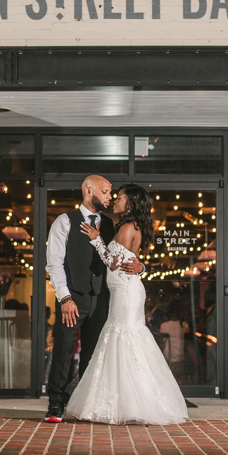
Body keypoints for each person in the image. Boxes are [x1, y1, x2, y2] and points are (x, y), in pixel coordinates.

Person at [65, 184, 188, 425]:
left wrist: (96, 240)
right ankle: (128, 402)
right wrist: (140, 265)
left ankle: (134, 402)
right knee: (124, 339)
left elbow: (113, 263)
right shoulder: (129, 226)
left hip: (125, 292)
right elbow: (129, 260)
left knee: (123, 338)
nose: (114, 201)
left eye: (119, 197)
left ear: (130, 203)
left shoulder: (128, 226)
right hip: (125, 290)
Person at [44, 175, 144, 423]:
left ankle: (83, 403)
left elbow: (125, 257)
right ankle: (56, 403)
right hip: (73, 298)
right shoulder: (64, 222)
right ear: (89, 191)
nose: (110, 198)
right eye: (106, 192)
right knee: (64, 350)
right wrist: (65, 298)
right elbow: (54, 264)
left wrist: (142, 268)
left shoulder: (114, 225)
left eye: (112, 194)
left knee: (94, 353)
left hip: (102, 300)